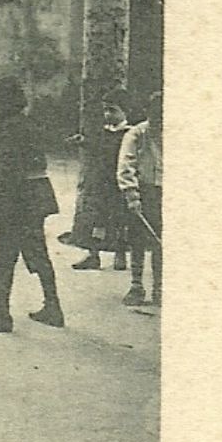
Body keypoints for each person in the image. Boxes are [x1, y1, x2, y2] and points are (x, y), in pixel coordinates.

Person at [0, 75, 64, 333]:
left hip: (20, 198)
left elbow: (6, 173)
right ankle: (52, 307)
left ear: (1, 103)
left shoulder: (10, 129)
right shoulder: (21, 124)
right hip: (33, 197)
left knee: (5, 255)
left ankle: (1, 313)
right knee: (37, 250)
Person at [65, 88, 133, 271]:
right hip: (102, 182)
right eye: (105, 110)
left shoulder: (129, 134)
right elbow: (99, 148)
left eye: (112, 110)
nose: (107, 114)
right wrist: (84, 142)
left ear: (125, 111)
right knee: (97, 220)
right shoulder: (105, 132)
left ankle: (120, 255)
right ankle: (93, 255)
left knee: (120, 220)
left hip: (118, 182)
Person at [118, 91, 163, 307]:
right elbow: (126, 166)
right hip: (144, 191)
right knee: (138, 239)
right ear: (148, 113)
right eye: (156, 115)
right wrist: (132, 195)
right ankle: (136, 285)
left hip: (165, 193)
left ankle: (159, 288)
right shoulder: (137, 134)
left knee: (160, 242)